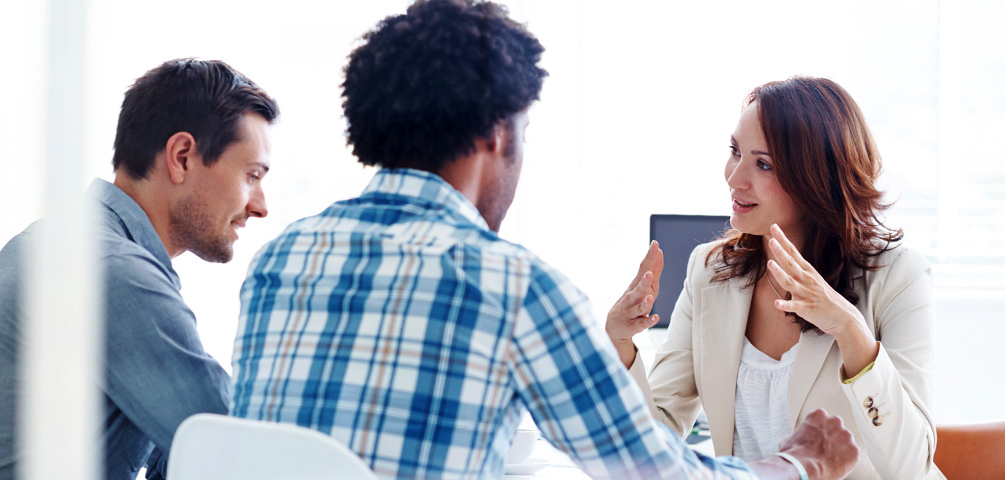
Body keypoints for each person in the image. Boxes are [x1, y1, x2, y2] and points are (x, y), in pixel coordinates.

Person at [230, 2, 858, 479]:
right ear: (497, 135)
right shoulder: (514, 286)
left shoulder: (278, 260)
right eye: (523, 132)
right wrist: (798, 464)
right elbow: (652, 471)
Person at [607, 76, 942, 479]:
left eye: (763, 164)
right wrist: (622, 345)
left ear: (817, 179)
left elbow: (910, 467)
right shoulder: (709, 272)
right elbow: (655, 447)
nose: (734, 178)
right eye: (735, 152)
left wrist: (849, 329)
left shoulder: (898, 277)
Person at [0, 58, 279, 480]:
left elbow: (178, 453)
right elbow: (239, 455)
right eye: (252, 175)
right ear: (181, 157)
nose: (260, 206)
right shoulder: (110, 271)